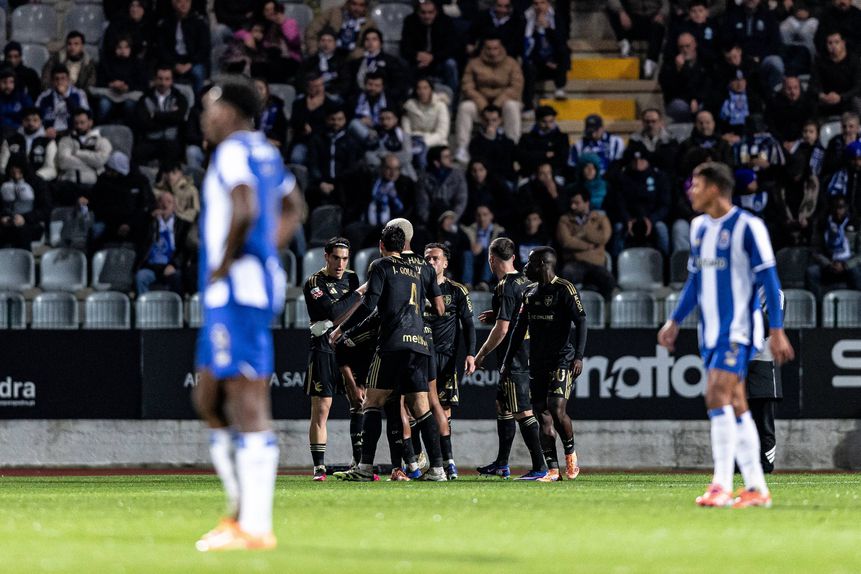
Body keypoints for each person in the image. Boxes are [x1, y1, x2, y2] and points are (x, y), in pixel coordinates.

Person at [192, 77, 300, 551]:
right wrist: (266, 249)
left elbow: (243, 205)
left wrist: (228, 261)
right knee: (209, 396)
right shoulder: (267, 152)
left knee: (247, 401)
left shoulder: (234, 150)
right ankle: (239, 516)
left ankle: (254, 526)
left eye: (210, 107)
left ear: (231, 112)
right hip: (241, 289)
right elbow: (294, 205)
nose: (204, 115)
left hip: (235, 290)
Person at [658, 161, 795, 508]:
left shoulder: (749, 227)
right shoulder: (699, 227)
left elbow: (770, 280)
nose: (691, 191)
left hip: (739, 329)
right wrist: (674, 320)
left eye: (697, 185)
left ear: (715, 189)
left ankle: (720, 484)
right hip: (711, 332)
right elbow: (695, 280)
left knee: (715, 394)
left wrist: (776, 331)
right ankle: (756, 488)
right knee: (736, 404)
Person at [333, 224, 447, 482]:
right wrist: (416, 309)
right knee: (422, 408)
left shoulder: (381, 266)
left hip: (392, 344)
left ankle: (364, 467)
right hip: (419, 345)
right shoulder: (424, 268)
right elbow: (440, 308)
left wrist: (342, 330)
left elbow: (369, 304)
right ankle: (438, 470)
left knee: (372, 403)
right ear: (405, 244)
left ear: (382, 246)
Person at [503, 247, 587, 482]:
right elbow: (518, 329)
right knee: (543, 415)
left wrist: (578, 356)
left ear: (542, 264)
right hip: (537, 362)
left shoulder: (565, 289)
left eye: (529, 263)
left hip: (562, 359)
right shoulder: (529, 293)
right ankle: (552, 469)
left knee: (557, 409)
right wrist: (507, 361)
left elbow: (580, 321)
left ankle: (570, 454)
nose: (525, 267)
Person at [473, 237, 549, 480]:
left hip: (514, 357)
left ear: (491, 259)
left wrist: (481, 354)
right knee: (503, 405)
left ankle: (540, 467)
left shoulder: (505, 285)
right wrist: (497, 313)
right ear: (514, 257)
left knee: (523, 411)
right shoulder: (527, 281)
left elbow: (502, 329)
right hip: (531, 353)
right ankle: (502, 463)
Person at [303, 237, 364, 481]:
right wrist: (351, 302)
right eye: (336, 258)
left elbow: (355, 314)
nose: (340, 264)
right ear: (326, 257)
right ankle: (319, 467)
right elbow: (335, 313)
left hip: (349, 347)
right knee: (322, 409)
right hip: (323, 349)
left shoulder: (352, 278)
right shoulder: (314, 282)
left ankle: (358, 462)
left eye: (345, 259)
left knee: (359, 401)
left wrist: (332, 321)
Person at [422, 242, 477, 479]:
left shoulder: (457, 291)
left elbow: (469, 325)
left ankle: (447, 463)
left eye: (435, 259)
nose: (431, 263)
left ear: (445, 262)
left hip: (445, 358)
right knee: (416, 409)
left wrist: (471, 353)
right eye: (427, 259)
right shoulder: (416, 288)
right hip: (419, 355)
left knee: (443, 412)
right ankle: (420, 461)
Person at [455, 36, 524, 162]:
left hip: (503, 106)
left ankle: (513, 144)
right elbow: (467, 86)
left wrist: (496, 107)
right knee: (465, 107)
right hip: (481, 105)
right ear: (483, 49)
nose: (493, 52)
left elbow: (516, 87)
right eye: (489, 49)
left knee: (512, 106)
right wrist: (484, 107)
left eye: (495, 48)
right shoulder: (473, 64)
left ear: (501, 48)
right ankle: (462, 147)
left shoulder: (511, 63)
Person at [611, 142, 671, 256]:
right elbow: (619, 202)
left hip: (652, 217)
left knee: (661, 229)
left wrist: (651, 219)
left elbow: (664, 205)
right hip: (629, 218)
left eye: (641, 160)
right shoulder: (623, 177)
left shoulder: (659, 177)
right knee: (618, 228)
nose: (638, 163)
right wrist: (627, 219)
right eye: (634, 161)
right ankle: (616, 264)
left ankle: (665, 263)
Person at [556, 189, 615, 299]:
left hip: (596, 263)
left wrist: (583, 232)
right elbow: (566, 242)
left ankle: (604, 313)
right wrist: (589, 245)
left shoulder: (600, 218)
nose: (573, 206)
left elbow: (603, 238)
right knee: (564, 279)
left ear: (586, 202)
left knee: (609, 282)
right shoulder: (564, 220)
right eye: (571, 203)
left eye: (577, 203)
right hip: (575, 262)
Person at [400, 0, 460, 98]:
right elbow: (404, 47)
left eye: (430, 12)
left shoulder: (445, 21)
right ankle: (406, 99)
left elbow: (451, 47)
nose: (427, 16)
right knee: (403, 64)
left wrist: (433, 57)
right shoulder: (410, 21)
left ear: (436, 12)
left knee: (451, 64)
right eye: (423, 13)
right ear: (418, 12)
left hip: (439, 60)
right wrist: (417, 55)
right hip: (416, 61)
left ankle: (453, 101)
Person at [806, 195, 861, 300]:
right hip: (829, 263)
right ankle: (818, 308)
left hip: (849, 264)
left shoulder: (856, 223)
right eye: (835, 207)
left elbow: (860, 254)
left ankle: (858, 308)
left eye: (841, 207)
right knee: (811, 272)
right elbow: (815, 250)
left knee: (856, 273)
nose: (838, 211)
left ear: (846, 208)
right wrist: (828, 263)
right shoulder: (822, 224)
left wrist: (845, 265)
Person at [134, 191, 190, 295]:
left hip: (170, 266)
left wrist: (174, 265)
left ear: (174, 206)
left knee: (177, 277)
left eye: (169, 202)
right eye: (161, 202)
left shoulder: (182, 225)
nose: (164, 206)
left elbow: (184, 250)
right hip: (151, 266)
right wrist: (148, 219)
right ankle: (145, 310)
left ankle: (178, 309)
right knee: (140, 277)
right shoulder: (149, 222)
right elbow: (138, 237)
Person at [133, 66, 189, 167]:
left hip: (172, 140)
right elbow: (144, 123)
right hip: (150, 140)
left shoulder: (179, 98)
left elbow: (179, 118)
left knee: (173, 152)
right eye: (160, 79)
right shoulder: (144, 98)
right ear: (154, 79)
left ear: (172, 81)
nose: (163, 83)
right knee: (138, 153)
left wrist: (155, 115)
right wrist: (169, 118)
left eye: (167, 79)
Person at [155, 0, 211, 95]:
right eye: (180, 1)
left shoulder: (199, 22)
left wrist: (190, 64)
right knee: (162, 74)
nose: (183, 4)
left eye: (187, 1)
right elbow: (161, 48)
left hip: (193, 61)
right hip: (172, 60)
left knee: (197, 73)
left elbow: (204, 48)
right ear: (173, 3)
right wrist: (174, 64)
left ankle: (198, 104)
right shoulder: (166, 23)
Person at [521, 0, 571, 106]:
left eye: (542, 3)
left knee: (564, 52)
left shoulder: (557, 17)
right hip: (534, 60)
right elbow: (527, 45)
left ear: (548, 4)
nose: (539, 6)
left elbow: (560, 41)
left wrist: (547, 28)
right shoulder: (525, 18)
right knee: (528, 67)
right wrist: (535, 28)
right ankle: (528, 105)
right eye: (536, 3)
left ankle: (560, 87)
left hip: (553, 60)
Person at [605, 0, 668, 78]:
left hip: (653, 19)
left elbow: (666, 4)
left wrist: (662, 14)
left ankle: (651, 62)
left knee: (659, 26)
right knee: (612, 10)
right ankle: (624, 42)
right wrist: (621, 12)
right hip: (633, 19)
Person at [658, 32, 711, 123]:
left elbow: (707, 85)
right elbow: (669, 88)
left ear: (694, 44)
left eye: (688, 46)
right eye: (681, 47)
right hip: (679, 101)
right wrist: (679, 70)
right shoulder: (670, 64)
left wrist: (696, 99)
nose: (685, 50)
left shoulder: (704, 61)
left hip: (700, 99)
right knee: (680, 107)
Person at [0, 157, 49, 249]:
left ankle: (24, 261)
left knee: (21, 232)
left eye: (19, 171)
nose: (15, 174)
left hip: (31, 222)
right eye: (12, 171)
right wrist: (2, 218)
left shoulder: (37, 182)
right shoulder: (3, 182)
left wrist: (25, 218)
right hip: (6, 221)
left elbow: (46, 209)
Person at [305, 0, 378, 61]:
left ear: (365, 7)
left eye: (361, 5)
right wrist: (314, 51)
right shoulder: (334, 13)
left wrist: (359, 54)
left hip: (353, 59)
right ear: (348, 3)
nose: (357, 8)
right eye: (354, 4)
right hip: (328, 55)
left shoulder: (369, 23)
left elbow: (374, 44)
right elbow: (312, 31)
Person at [402, 78, 451, 169]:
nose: (422, 91)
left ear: (431, 89)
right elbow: (406, 131)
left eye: (425, 88)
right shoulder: (409, 106)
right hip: (414, 140)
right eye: (419, 88)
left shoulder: (440, 106)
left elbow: (442, 133)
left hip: (435, 141)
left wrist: (425, 142)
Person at [811, 31, 861, 119]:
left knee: (856, 101)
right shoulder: (820, 61)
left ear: (843, 43)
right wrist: (821, 95)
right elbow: (814, 84)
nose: (833, 46)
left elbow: (858, 87)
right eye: (830, 43)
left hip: (847, 100)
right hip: (826, 100)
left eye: (836, 42)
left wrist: (841, 97)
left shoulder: (854, 61)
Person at [0, 108, 57, 182]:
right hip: (11, 181)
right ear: (22, 121)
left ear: (41, 122)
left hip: (39, 182)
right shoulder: (10, 141)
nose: (31, 123)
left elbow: (51, 169)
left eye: (35, 120)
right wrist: (13, 176)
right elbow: (2, 166)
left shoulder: (48, 142)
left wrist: (32, 178)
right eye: (27, 120)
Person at [416, 145, 468, 226]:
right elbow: (423, 205)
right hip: (431, 222)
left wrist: (452, 220)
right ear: (436, 162)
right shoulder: (424, 179)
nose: (451, 159)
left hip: (453, 221)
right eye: (446, 157)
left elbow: (461, 201)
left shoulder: (458, 176)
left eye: (450, 156)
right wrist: (433, 223)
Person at [35, 66, 89, 139]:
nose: (60, 82)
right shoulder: (44, 97)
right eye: (56, 79)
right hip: (50, 134)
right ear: (52, 81)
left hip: (72, 133)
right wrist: (44, 130)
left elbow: (83, 116)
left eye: (63, 78)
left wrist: (65, 96)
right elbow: (35, 116)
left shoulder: (78, 94)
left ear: (68, 80)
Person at [466, 104, 517, 182]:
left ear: (500, 120)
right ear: (482, 120)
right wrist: (488, 139)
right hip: (485, 181)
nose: (490, 123)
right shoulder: (475, 142)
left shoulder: (508, 142)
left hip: (504, 180)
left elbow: (505, 162)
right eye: (487, 120)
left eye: (494, 120)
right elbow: (481, 162)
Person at [516, 104, 569, 176]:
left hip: (555, 175)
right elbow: (522, 159)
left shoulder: (562, 138)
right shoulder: (526, 138)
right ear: (537, 121)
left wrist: (536, 155)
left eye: (551, 121)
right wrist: (545, 155)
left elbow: (562, 160)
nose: (548, 125)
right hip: (530, 174)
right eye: (544, 122)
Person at [462, 204, 505, 289]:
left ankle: (484, 283)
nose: (482, 218)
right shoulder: (469, 230)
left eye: (485, 215)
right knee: (467, 253)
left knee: (491, 253)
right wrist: (472, 246)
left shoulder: (499, 232)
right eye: (479, 215)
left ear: (491, 216)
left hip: (491, 260)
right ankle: (467, 284)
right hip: (474, 257)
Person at [0, 69, 33, 139]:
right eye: (4, 82)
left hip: (19, 132)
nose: (8, 86)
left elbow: (30, 116)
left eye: (11, 82)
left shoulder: (23, 98)